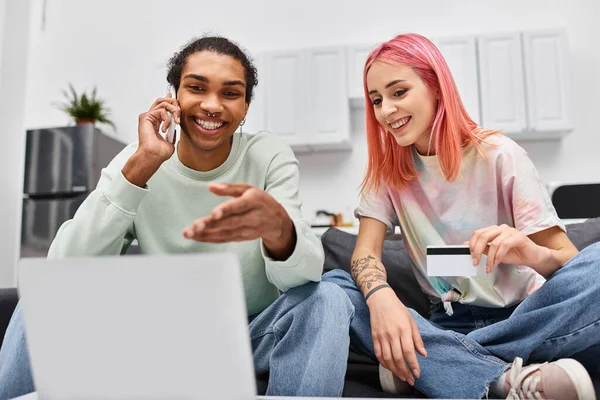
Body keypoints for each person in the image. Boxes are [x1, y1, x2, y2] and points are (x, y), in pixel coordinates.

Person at [0, 36, 355, 399]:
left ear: (246, 107)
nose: (212, 105)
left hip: (253, 334)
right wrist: (141, 167)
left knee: (328, 297)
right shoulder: (137, 159)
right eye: (196, 88)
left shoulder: (267, 155)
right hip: (159, 338)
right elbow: (64, 267)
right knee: (39, 298)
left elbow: (305, 275)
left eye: (230, 93)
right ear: (173, 96)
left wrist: (279, 229)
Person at [322, 33, 600, 399]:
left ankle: (434, 364)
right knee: (334, 290)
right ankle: (492, 374)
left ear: (436, 87)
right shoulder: (387, 173)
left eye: (398, 92)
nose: (386, 110)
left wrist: (527, 252)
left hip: (528, 313)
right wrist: (380, 297)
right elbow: (365, 254)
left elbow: (568, 262)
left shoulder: (501, 155)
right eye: (376, 100)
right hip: (448, 319)